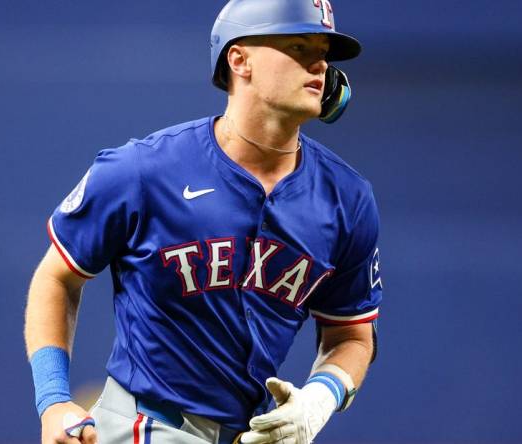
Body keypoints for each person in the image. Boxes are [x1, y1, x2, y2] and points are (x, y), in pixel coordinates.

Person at [24, 0, 383, 443]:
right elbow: (56, 278)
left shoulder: (347, 199)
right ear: (239, 59)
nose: (319, 63)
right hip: (147, 424)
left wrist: (318, 401)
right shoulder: (143, 170)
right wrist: (54, 398)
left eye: (324, 50)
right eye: (298, 45)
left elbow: (352, 334)